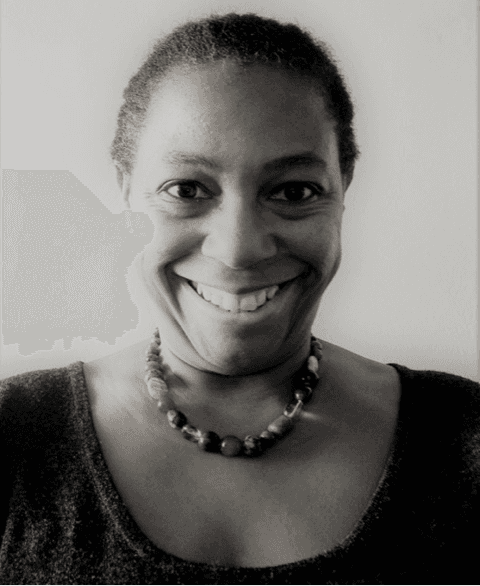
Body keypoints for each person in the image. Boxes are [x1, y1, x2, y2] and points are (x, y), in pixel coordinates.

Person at [0, 12, 478, 585]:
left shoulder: (464, 441)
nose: (238, 250)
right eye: (186, 190)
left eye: (294, 191)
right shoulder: (15, 437)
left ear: (342, 190)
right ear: (126, 189)